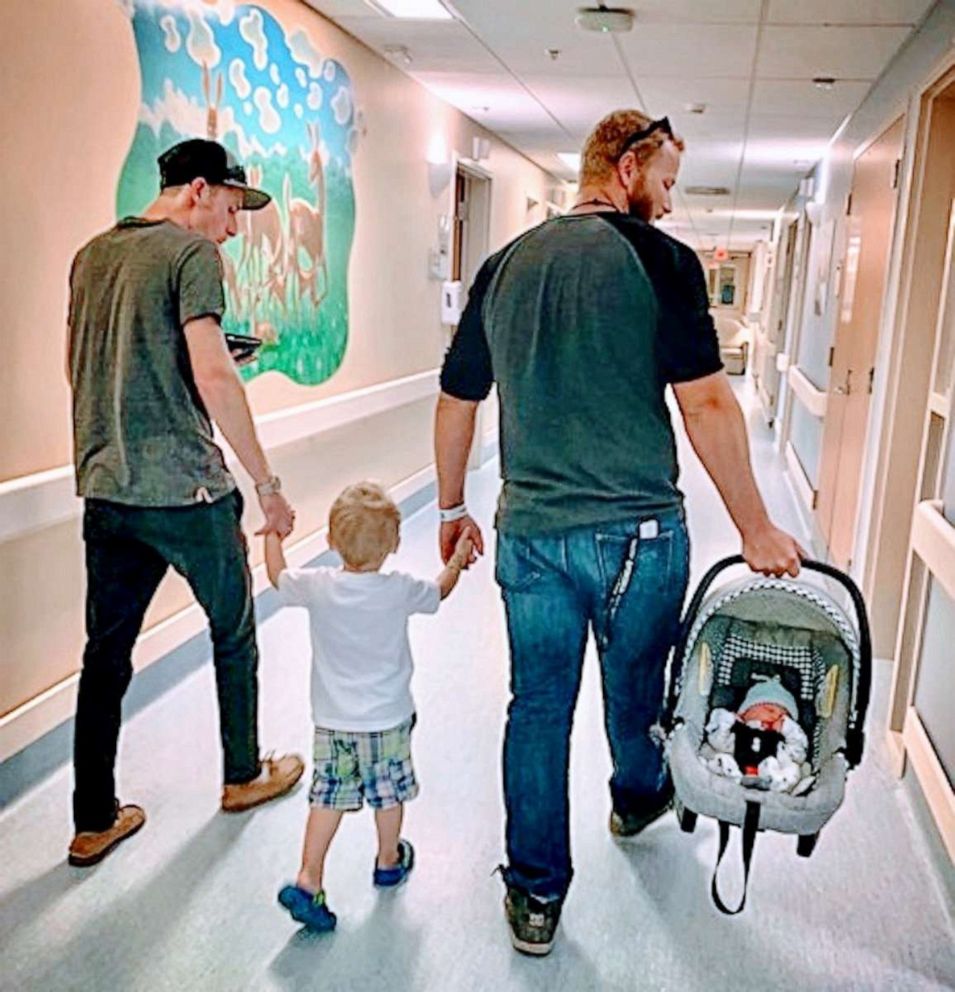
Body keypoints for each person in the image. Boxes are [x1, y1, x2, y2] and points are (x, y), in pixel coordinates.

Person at [434, 108, 806, 955]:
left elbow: (457, 398)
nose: (670, 205)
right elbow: (705, 400)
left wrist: (452, 510)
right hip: (638, 536)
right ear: (629, 166)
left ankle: (534, 894)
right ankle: (637, 797)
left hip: (529, 535)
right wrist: (754, 526)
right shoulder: (661, 263)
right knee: (636, 687)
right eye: (667, 181)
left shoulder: (503, 264)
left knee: (536, 708)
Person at [66, 138, 304, 868]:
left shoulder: (92, 255)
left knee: (105, 656)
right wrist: (266, 484)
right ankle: (241, 775)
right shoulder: (192, 257)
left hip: (108, 487)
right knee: (233, 633)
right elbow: (212, 377)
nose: (233, 228)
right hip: (188, 490)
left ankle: (92, 819)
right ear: (200, 190)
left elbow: (89, 361)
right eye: (232, 208)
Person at [265, 482, 473, 932]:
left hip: (332, 723)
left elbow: (277, 577)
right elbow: (440, 591)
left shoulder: (318, 586)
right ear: (395, 545)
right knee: (389, 793)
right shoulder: (398, 589)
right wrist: (456, 559)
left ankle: (309, 876)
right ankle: (387, 859)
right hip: (387, 720)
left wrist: (272, 536)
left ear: (330, 541)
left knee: (327, 798)